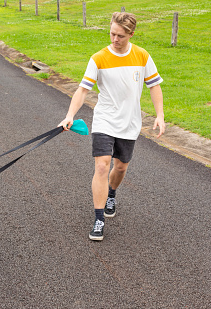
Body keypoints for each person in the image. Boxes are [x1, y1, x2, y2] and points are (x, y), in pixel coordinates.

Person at [58, 12, 165, 241]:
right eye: (112, 34)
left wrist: (160, 115)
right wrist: (69, 115)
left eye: (120, 36)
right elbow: (83, 90)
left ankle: (111, 194)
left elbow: (154, 86)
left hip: (129, 123)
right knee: (101, 167)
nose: (115, 39)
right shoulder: (98, 58)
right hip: (104, 120)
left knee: (121, 167)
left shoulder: (142, 56)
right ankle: (98, 219)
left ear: (131, 35)